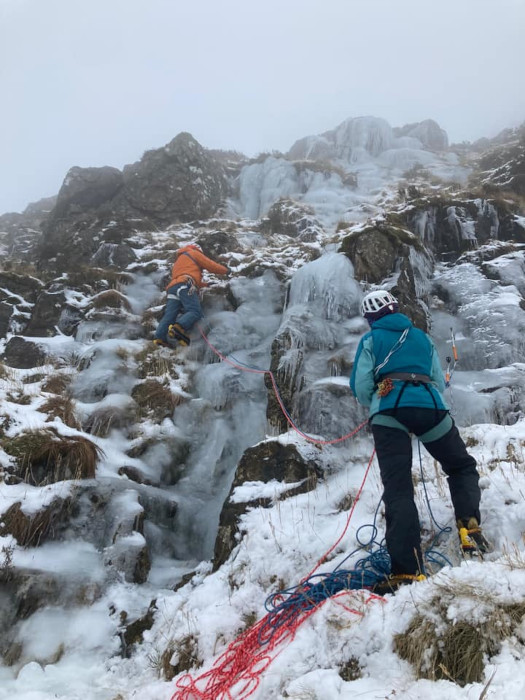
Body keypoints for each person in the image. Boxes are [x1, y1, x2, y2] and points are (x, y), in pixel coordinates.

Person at [350, 289, 489, 593]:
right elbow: (438, 381)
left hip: (390, 413)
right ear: (396, 309)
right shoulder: (422, 338)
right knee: (461, 466)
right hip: (431, 408)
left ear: (371, 317)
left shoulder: (371, 340)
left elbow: (360, 386)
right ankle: (469, 526)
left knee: (398, 487)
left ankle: (408, 572)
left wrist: (376, 395)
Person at [154, 243, 229, 347]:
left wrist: (205, 284)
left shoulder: (179, 260)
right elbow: (211, 265)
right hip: (185, 284)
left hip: (173, 288)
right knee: (195, 311)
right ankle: (179, 328)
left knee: (170, 315)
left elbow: (183, 275)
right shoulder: (194, 253)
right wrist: (225, 270)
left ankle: (160, 338)